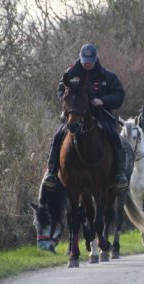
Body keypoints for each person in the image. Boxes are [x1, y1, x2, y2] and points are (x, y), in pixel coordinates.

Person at [40, 43, 128, 199]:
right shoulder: (71, 72)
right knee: (58, 135)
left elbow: (119, 96)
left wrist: (103, 100)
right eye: (84, 60)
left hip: (101, 114)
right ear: (80, 58)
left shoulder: (108, 76)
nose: (87, 63)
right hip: (76, 115)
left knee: (114, 136)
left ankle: (120, 174)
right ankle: (51, 172)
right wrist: (68, 100)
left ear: (95, 59)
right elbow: (61, 89)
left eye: (90, 60)